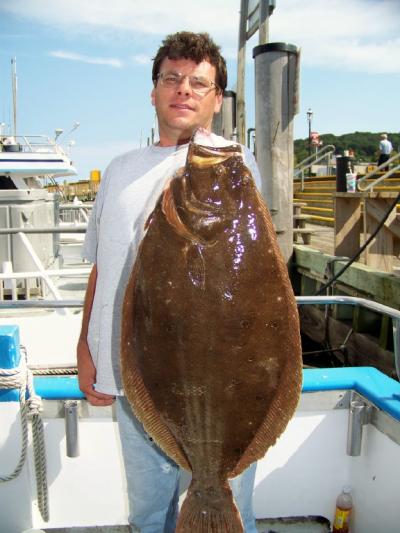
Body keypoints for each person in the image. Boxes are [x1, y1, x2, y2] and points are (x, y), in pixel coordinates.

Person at [77, 31, 262, 533]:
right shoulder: (119, 170)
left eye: (199, 83)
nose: (184, 90)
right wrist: (86, 348)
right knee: (146, 512)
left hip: (219, 389)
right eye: (172, 79)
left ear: (216, 100)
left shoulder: (233, 166)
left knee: (227, 499)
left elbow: (255, 275)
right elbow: (102, 265)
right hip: (132, 368)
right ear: (154, 90)